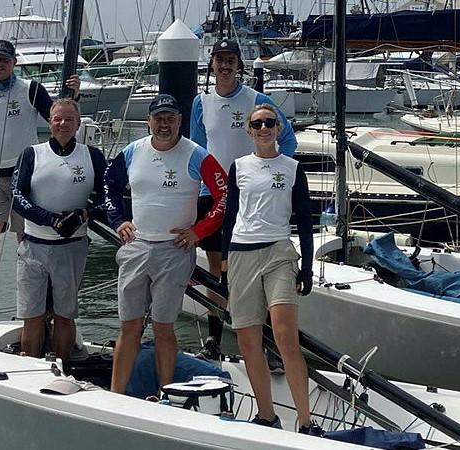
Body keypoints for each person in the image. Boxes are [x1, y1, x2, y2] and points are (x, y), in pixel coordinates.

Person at [105, 94, 228, 395]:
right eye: (158, 118)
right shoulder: (132, 152)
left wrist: (199, 231)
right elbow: (108, 185)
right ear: (149, 121)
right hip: (136, 245)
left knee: (163, 327)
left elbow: (224, 196)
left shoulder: (196, 154)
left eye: (170, 118)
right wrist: (118, 220)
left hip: (175, 250)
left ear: (179, 121)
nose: (164, 124)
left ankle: (166, 395)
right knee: (129, 327)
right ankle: (115, 395)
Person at [190, 38, 298, 362]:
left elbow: (288, 140)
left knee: (256, 267)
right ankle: (213, 337)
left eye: (230, 60)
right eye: (219, 60)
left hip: (250, 195)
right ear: (212, 65)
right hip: (212, 195)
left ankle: (268, 343)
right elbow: (197, 153)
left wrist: (268, 170)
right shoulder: (201, 103)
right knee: (215, 268)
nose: (225, 66)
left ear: (239, 65)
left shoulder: (257, 99)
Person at [0, 39, 80, 328]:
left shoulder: (30, 89)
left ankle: (31, 305)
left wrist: (73, 96)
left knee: (26, 240)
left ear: (14, 62)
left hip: (26, 174)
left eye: (5, 59)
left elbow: (59, 120)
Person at [221, 104, 320, 434]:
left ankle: (305, 420)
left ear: (278, 129)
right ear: (249, 130)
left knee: (284, 336)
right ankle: (267, 415)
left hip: (279, 252)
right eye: (257, 124)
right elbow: (230, 215)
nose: (263, 128)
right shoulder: (239, 167)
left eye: (269, 123)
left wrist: (307, 267)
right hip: (241, 253)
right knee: (248, 340)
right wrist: (224, 262)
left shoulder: (292, 169)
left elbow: (305, 222)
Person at [10, 98, 107, 362]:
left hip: (71, 246)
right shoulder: (32, 153)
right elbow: (17, 195)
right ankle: (31, 367)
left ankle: (64, 366)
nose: (63, 124)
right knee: (32, 315)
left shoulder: (93, 156)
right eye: (57, 119)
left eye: (69, 120)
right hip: (33, 245)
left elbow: (107, 199)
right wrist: (48, 218)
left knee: (65, 314)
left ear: (78, 124)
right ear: (50, 122)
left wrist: (84, 213)